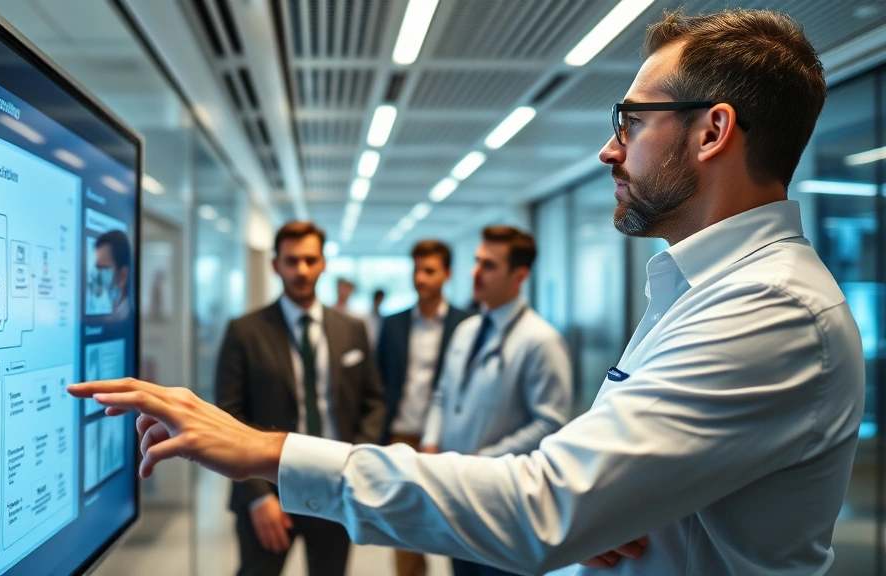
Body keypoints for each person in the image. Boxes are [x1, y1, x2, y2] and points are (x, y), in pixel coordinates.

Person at [69, 8, 865, 575]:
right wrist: (613, 509)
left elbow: (542, 506)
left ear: (712, 131)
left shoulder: (770, 309)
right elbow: (604, 490)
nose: (607, 149)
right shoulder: (698, 288)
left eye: (630, 120)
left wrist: (269, 453)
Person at [212, 221, 385, 576]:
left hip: (334, 485)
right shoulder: (245, 332)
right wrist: (258, 495)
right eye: (291, 261)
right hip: (268, 487)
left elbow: (374, 402)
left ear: (323, 263)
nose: (301, 270)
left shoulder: (351, 329)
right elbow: (228, 418)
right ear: (276, 265)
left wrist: (355, 464)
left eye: (310, 260)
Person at [423, 226, 571, 576]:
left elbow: (550, 423)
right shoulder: (466, 331)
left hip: (502, 500)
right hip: (456, 493)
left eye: (488, 265)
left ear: (519, 275)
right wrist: (430, 442)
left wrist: (481, 463)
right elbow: (443, 394)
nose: (475, 272)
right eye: (476, 262)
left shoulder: (541, 341)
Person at [375, 240, 473, 576]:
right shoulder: (393, 323)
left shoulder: (467, 324)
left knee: (453, 526)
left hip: (448, 440)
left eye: (429, 271)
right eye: (416, 270)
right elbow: (379, 381)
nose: (420, 278)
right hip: (400, 436)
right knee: (402, 530)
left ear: (447, 274)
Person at [93, 230, 131, 321]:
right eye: (96, 269)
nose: (95, 277)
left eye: (102, 268)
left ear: (122, 276)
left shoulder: (122, 321)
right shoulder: (110, 317)